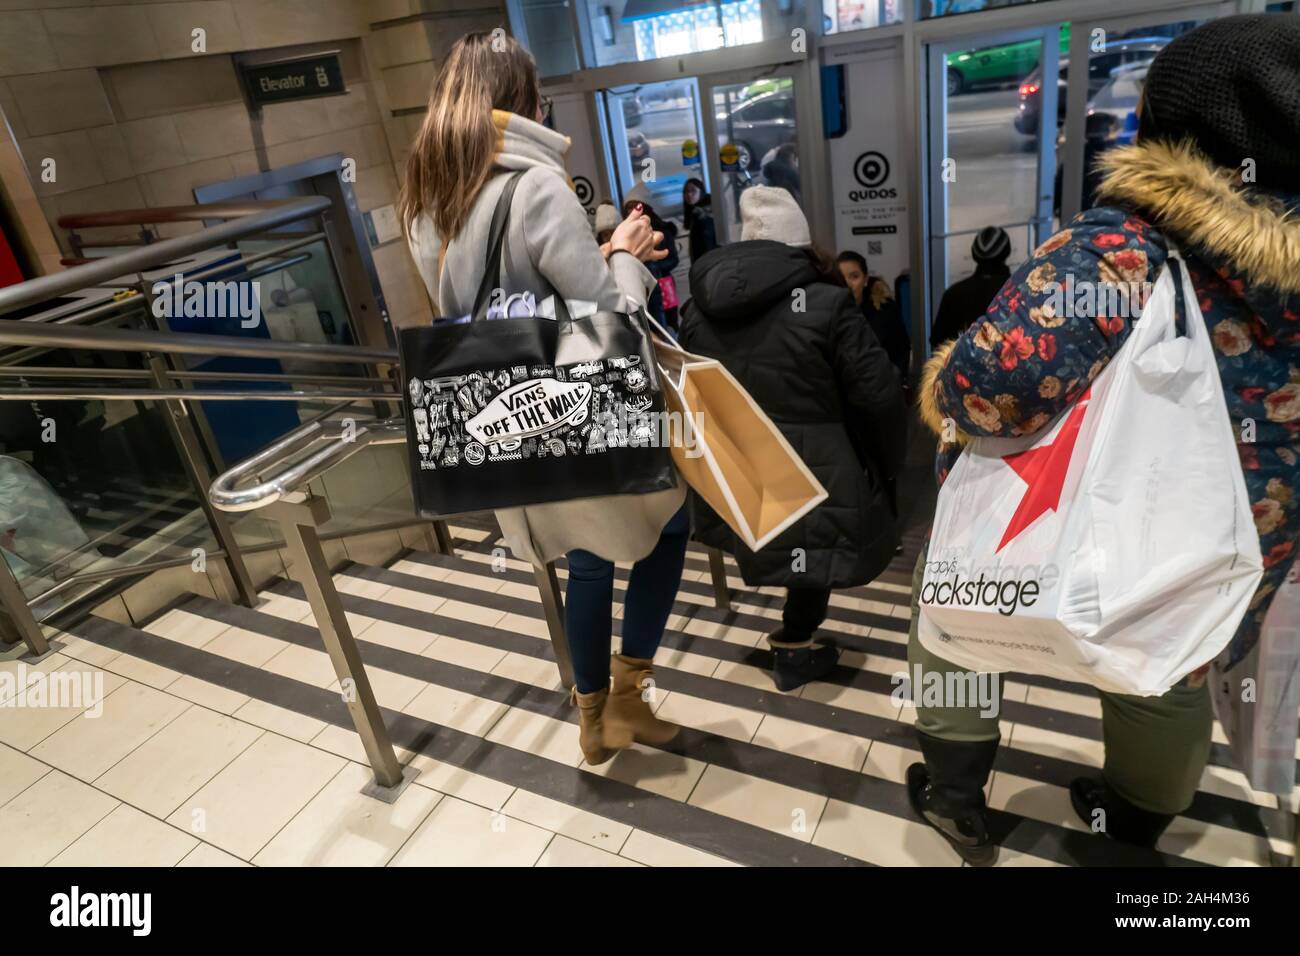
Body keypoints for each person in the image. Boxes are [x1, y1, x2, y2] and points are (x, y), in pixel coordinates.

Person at [910, 15, 1300, 863]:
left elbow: (986, 389)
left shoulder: (1126, 251)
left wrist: (942, 382)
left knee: (944, 625)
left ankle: (954, 793)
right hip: (1239, 543)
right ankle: (1131, 823)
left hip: (1096, 527)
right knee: (1168, 663)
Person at [400, 32, 687, 765]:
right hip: (575, 404)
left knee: (587, 560)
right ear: (523, 101)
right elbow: (612, 323)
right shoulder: (536, 187)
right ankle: (626, 696)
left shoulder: (427, 202)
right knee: (670, 526)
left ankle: (593, 717)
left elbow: (494, 304)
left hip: (507, 414)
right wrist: (623, 256)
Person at [680, 186, 907, 690]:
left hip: (740, 470)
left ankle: (795, 640)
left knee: (787, 543)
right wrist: (889, 463)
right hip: (817, 466)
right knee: (811, 546)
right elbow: (879, 396)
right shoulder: (826, 304)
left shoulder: (697, 311)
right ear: (801, 248)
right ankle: (795, 644)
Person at [927, 226, 1010, 351]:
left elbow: (938, 345)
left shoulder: (953, 294)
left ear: (974, 253)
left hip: (960, 369)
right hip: (1011, 370)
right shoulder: (1018, 293)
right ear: (1007, 252)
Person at [836, 250, 909, 383]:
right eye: (841, 278)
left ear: (865, 280)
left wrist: (895, 380)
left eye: (854, 276)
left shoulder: (885, 310)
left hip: (882, 387)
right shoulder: (827, 314)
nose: (847, 284)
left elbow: (901, 350)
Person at [622, 195, 680, 331]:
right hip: (640, 289)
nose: (632, 211)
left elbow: (673, 259)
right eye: (628, 209)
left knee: (669, 326)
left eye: (635, 207)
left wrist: (653, 266)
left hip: (663, 284)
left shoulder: (663, 231)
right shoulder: (627, 235)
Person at [682, 177, 717, 265]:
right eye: (686, 191)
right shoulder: (694, 212)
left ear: (701, 191)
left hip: (708, 264)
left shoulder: (704, 216)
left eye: (693, 191)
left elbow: (707, 246)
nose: (689, 194)